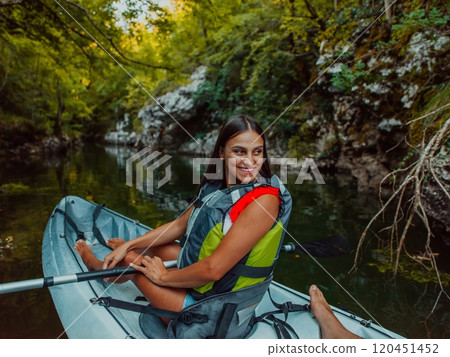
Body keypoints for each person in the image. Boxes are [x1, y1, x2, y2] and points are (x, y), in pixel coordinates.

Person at [75, 114, 361, 338]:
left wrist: (161, 277)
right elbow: (179, 225)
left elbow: (213, 269)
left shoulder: (264, 201)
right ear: (222, 152)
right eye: (239, 151)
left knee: (130, 262)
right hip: (213, 288)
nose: (250, 162)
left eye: (257, 152)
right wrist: (132, 242)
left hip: (217, 312)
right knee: (154, 247)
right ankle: (124, 256)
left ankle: (98, 265)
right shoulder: (218, 186)